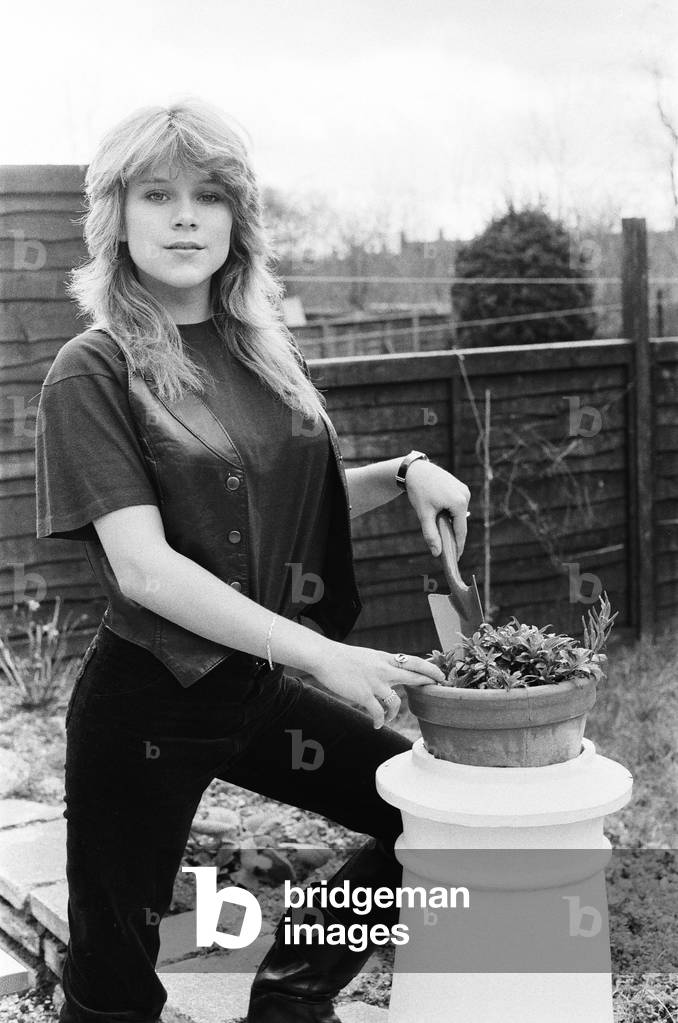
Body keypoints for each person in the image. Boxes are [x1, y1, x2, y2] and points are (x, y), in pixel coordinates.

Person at [35, 97, 471, 1023]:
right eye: (157, 194)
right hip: (147, 697)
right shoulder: (94, 367)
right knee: (114, 986)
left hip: (251, 685)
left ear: (239, 219)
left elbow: (279, 506)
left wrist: (402, 472)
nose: (185, 214)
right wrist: (327, 654)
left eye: (209, 195)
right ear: (118, 217)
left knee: (430, 816)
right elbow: (148, 567)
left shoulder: (257, 351)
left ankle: (290, 995)